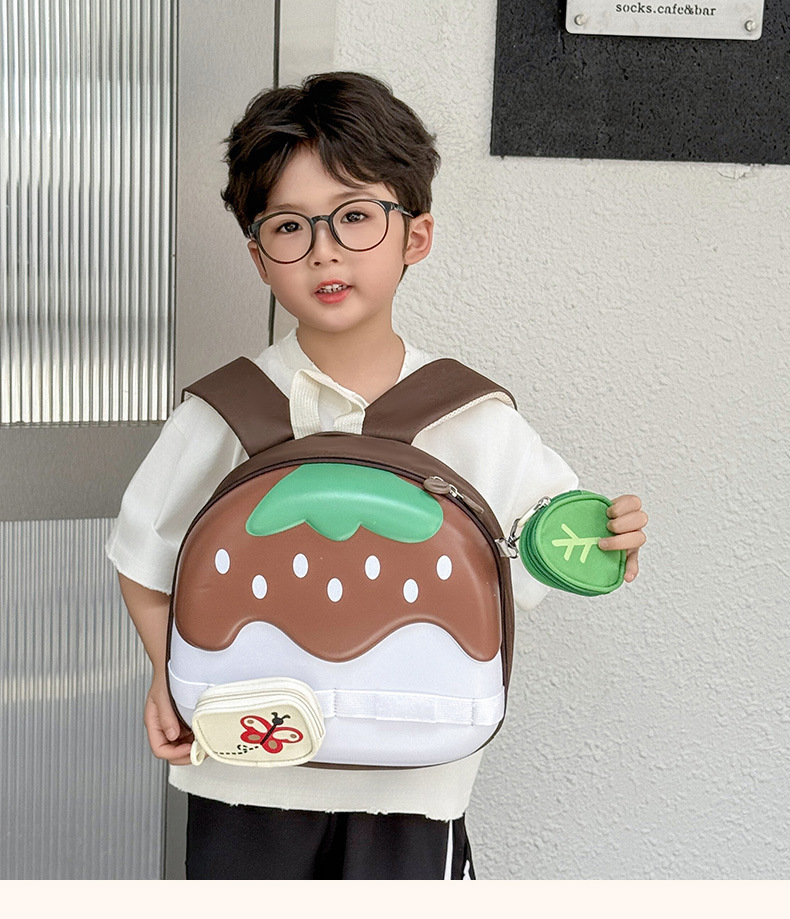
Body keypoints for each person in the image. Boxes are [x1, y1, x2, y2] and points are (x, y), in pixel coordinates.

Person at [106, 71, 648, 880]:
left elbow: (546, 542)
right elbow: (141, 556)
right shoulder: (223, 411)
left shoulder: (473, 417)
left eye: (355, 215)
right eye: (289, 226)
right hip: (245, 770)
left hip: (415, 782)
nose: (323, 248)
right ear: (259, 257)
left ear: (415, 236)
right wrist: (166, 674)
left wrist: (613, 538)